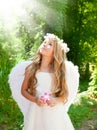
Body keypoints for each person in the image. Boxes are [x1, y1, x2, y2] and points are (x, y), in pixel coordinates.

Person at [8, 33, 79, 130]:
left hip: (55, 112)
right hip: (36, 110)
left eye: (50, 44)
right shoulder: (31, 68)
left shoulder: (58, 71)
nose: (45, 44)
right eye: (44, 42)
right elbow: (23, 90)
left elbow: (65, 94)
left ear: (55, 52)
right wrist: (36, 100)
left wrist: (55, 100)